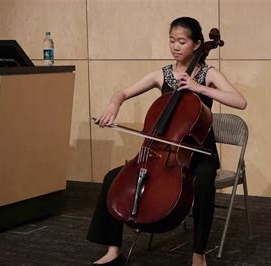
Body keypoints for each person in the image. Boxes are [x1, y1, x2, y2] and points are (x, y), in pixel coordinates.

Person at [88, 17, 247, 266]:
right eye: (172, 41)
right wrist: (112, 106)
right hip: (161, 153)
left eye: (181, 41)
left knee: (203, 184)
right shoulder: (161, 75)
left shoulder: (208, 74)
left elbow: (240, 102)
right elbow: (122, 93)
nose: (175, 46)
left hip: (200, 152)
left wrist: (200, 88)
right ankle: (113, 249)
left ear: (196, 44)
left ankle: (198, 254)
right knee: (112, 178)